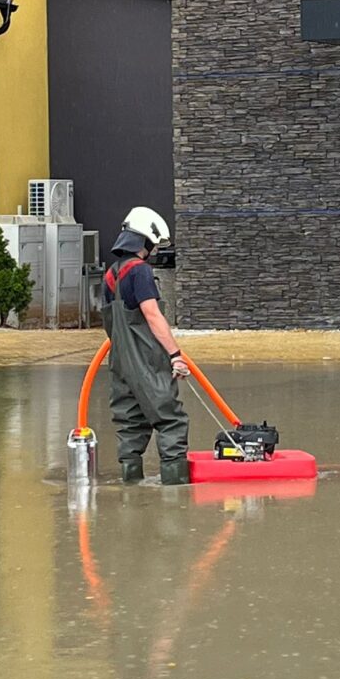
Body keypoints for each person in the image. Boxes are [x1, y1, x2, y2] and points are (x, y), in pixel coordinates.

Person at [102, 206, 191, 485]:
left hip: (120, 363)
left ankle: (131, 490)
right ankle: (175, 491)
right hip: (147, 360)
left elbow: (110, 324)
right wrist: (175, 355)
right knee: (171, 420)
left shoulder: (111, 274)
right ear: (145, 240)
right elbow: (152, 315)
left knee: (130, 424)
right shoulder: (140, 272)